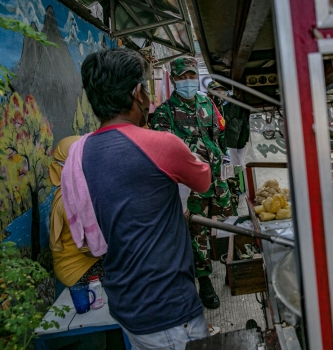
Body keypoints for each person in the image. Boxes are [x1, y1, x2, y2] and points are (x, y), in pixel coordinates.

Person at [64, 48, 212, 349]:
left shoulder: (79, 154)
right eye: (145, 88)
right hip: (170, 311)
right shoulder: (162, 145)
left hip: (125, 305)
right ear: (137, 94)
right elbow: (204, 180)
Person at [151, 56, 232, 309]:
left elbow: (218, 137)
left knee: (213, 227)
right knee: (195, 234)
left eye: (191, 76)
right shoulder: (165, 113)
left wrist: (223, 168)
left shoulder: (207, 102)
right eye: (183, 77)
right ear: (174, 79)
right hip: (188, 187)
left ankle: (213, 263)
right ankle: (204, 281)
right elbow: (163, 154)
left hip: (215, 181)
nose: (188, 81)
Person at [49, 135, 104, 288]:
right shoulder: (72, 201)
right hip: (79, 269)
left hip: (84, 262)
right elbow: (90, 249)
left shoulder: (69, 192)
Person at [207, 80, 250, 216]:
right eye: (216, 92)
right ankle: (224, 216)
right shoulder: (207, 110)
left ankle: (234, 213)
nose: (220, 94)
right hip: (216, 158)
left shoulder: (233, 107)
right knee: (220, 189)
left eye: (221, 91)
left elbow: (244, 130)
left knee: (234, 186)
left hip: (232, 154)